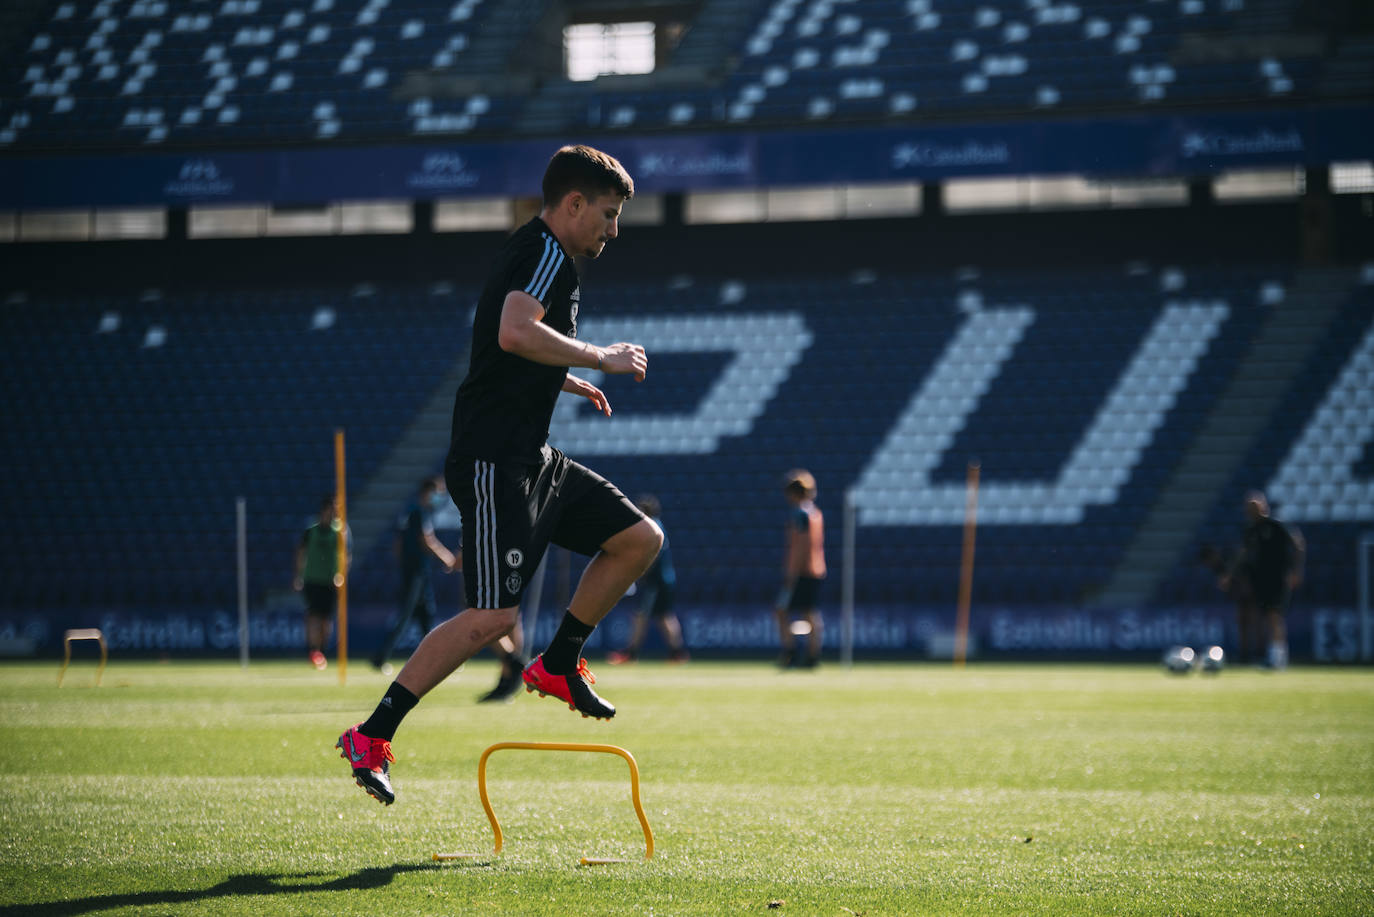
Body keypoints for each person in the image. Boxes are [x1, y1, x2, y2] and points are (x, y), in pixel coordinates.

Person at [337, 145, 663, 806]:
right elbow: (516, 332)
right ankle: (371, 734)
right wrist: (600, 358)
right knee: (491, 616)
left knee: (639, 538)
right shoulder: (545, 253)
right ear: (573, 203)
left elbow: (503, 342)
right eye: (607, 213)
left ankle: (561, 659)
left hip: (533, 456)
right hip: (493, 461)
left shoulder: (541, 254)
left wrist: (566, 379)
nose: (614, 229)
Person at [371, 476, 459, 673]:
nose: (439, 497)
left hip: (415, 571)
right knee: (406, 616)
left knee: (426, 615)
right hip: (416, 572)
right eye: (437, 492)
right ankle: (381, 657)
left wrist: (403, 564)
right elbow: (427, 540)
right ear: (427, 492)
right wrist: (448, 559)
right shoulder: (420, 512)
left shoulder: (410, 511)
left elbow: (398, 544)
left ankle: (436, 659)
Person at [1220, 491, 1304, 670]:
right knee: (1264, 616)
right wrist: (1229, 574)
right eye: (1248, 507)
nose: (1251, 510)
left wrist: (1296, 570)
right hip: (1259, 579)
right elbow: (1242, 553)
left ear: (1263, 506)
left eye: (1254, 506)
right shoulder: (1251, 529)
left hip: (1278, 577)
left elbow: (1298, 544)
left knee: (1274, 615)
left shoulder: (1276, 525)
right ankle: (1268, 654)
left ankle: (1278, 657)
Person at [607, 494, 688, 665]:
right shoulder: (659, 525)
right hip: (664, 580)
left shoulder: (652, 528)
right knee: (664, 616)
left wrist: (637, 573)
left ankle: (631, 653)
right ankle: (677, 653)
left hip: (655, 582)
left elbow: (653, 557)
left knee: (640, 616)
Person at [774, 469, 826, 669]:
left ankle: (792, 652)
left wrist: (792, 573)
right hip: (816, 569)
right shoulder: (815, 513)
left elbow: (801, 547)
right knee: (809, 613)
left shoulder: (801, 515)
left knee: (783, 611)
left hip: (803, 571)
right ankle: (811, 655)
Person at [294, 495, 349, 670]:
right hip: (312, 580)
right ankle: (313, 651)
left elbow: (345, 557)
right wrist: (299, 575)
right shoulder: (311, 531)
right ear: (325, 510)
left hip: (330, 582)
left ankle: (322, 652)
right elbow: (301, 554)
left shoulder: (340, 532)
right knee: (313, 617)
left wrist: (341, 575)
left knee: (326, 621)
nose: (335, 512)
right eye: (333, 508)